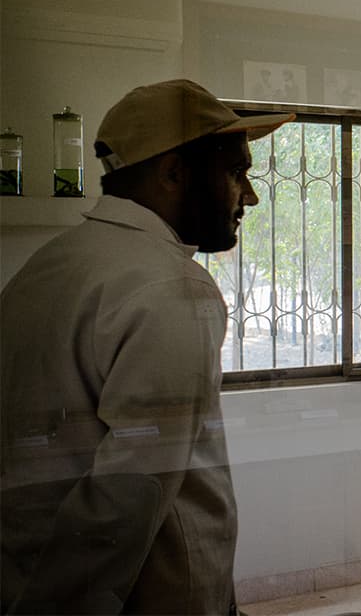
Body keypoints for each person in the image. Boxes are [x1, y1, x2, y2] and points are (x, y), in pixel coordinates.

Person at [0, 79, 293, 614]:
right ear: (174, 173)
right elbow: (127, 494)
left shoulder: (49, 265)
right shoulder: (168, 284)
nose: (248, 196)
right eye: (235, 172)